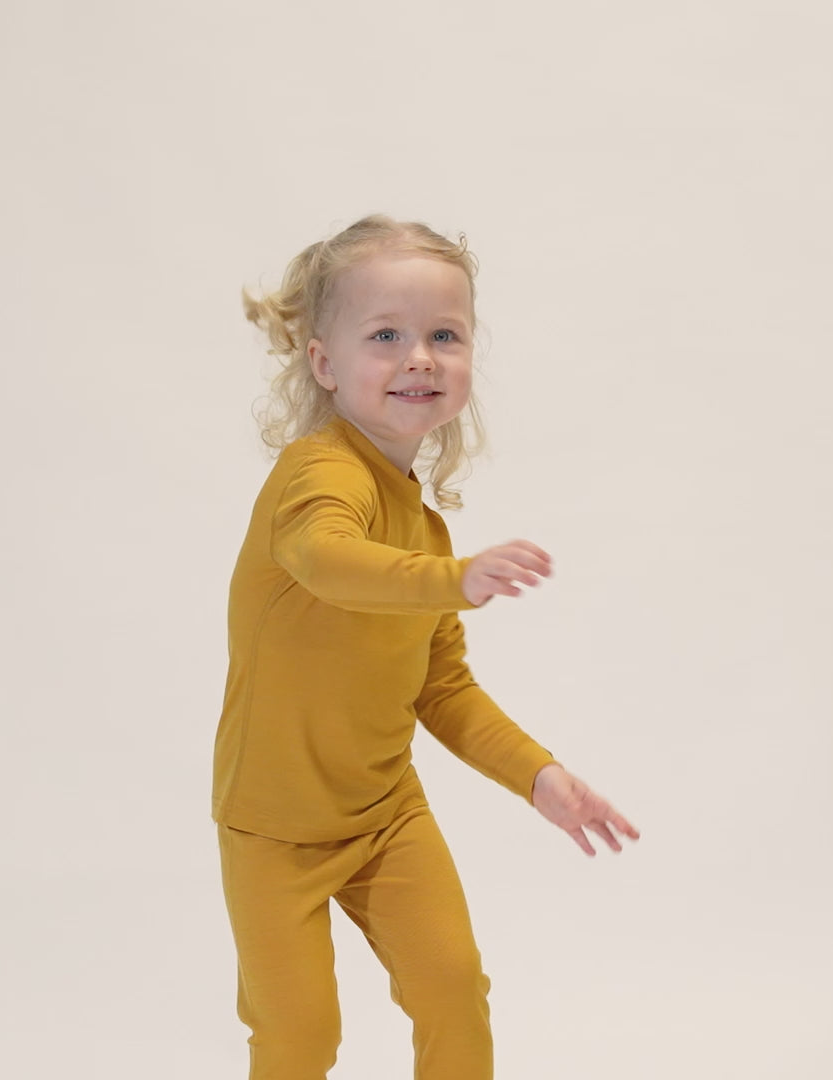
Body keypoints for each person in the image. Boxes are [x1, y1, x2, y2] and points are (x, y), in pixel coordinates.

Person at [212, 213, 639, 1080]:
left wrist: (539, 776)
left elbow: (440, 690)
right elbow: (327, 561)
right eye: (387, 336)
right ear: (324, 364)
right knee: (299, 1038)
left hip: (384, 814)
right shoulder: (316, 475)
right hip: (274, 827)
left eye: (445, 334)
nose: (420, 357)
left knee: (451, 987)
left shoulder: (426, 530)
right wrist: (453, 581)